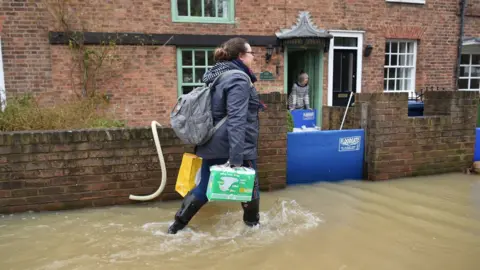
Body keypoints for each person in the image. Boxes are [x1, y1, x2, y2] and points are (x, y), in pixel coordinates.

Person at [168, 37, 262, 234]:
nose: (253, 57)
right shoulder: (238, 79)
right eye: (251, 53)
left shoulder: (219, 74)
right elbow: (237, 118)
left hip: (213, 143)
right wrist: (237, 157)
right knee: (250, 189)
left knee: (204, 188)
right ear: (241, 56)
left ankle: (176, 228)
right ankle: (254, 230)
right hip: (233, 145)